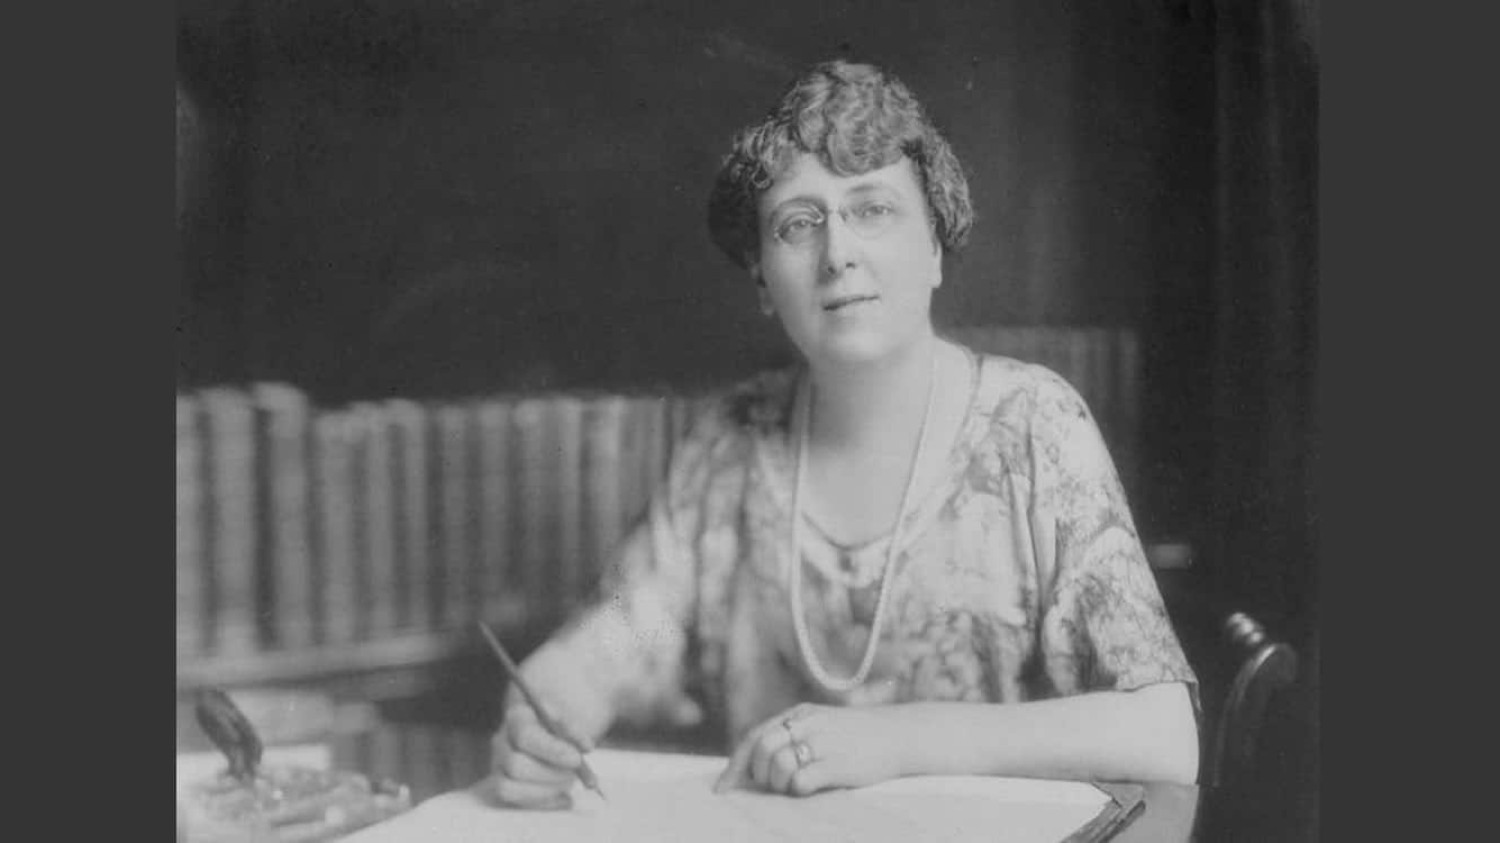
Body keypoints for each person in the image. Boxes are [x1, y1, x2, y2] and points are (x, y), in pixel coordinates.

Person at [489, 58, 1199, 810]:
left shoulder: (1034, 426)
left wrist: (894, 740)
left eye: (872, 209)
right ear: (763, 279)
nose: (837, 254)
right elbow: (632, 630)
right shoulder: (728, 445)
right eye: (799, 224)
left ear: (934, 246)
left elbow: (1164, 733)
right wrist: (556, 696)